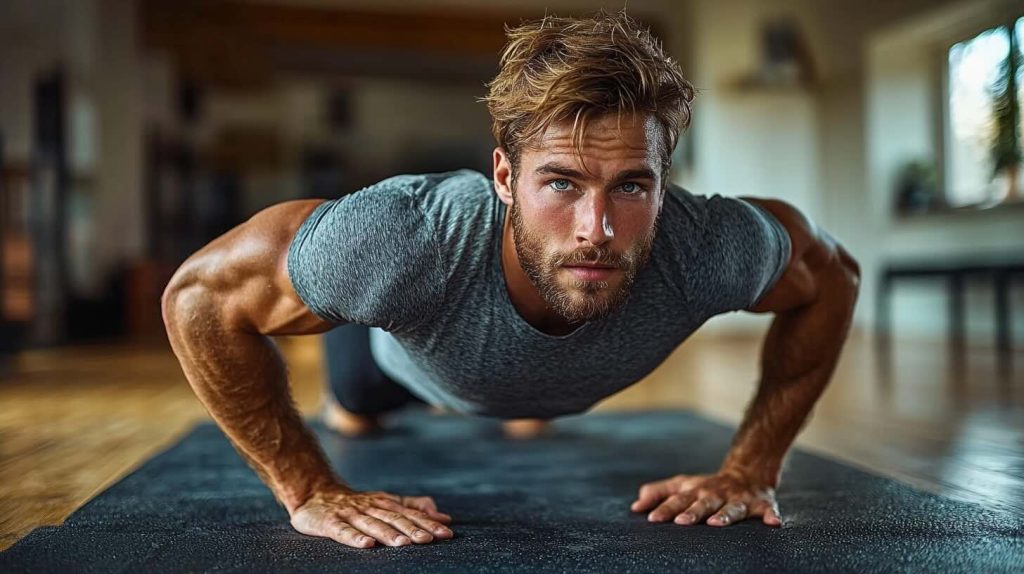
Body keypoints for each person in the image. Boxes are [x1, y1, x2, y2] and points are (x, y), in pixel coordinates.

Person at [161, 10, 860, 550]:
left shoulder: (706, 244)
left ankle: (524, 405)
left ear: (663, 182)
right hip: (398, 363)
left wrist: (752, 468)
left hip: (547, 382)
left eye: (630, 186)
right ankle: (386, 402)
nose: (598, 228)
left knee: (531, 417)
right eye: (561, 182)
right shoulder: (401, 243)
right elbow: (198, 298)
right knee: (355, 416)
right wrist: (307, 487)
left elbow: (837, 278)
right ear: (503, 177)